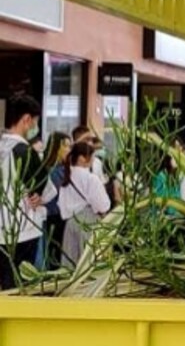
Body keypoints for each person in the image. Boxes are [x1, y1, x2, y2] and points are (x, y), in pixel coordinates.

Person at [0, 94, 52, 288]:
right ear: (27, 119)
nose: (35, 127)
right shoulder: (24, 151)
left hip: (2, 228)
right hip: (23, 229)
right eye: (35, 122)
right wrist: (39, 196)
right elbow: (46, 190)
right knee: (19, 285)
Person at [57, 140, 111, 266]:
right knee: (89, 264)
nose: (93, 160)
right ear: (82, 158)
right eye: (91, 156)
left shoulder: (66, 178)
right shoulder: (91, 178)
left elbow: (61, 204)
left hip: (70, 223)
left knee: (71, 264)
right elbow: (102, 206)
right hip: (89, 222)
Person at [39, 131, 71, 268]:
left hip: (63, 216)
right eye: (66, 146)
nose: (69, 150)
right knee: (54, 254)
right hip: (53, 217)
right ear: (57, 147)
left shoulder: (64, 168)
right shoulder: (49, 170)